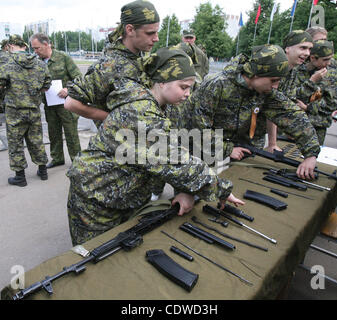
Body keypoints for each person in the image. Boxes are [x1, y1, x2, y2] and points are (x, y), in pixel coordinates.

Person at [66, 48, 244, 245]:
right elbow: (174, 161)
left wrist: (187, 190)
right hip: (96, 196)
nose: (187, 94)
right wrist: (220, 188)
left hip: (125, 193)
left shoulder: (165, 106)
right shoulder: (141, 112)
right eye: (183, 87)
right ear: (161, 81)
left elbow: (178, 149)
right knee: (94, 257)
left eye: (190, 88)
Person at [182, 44, 320, 180]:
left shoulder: (265, 93)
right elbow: (198, 127)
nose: (275, 86)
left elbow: (293, 116)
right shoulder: (217, 85)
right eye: (273, 80)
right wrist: (228, 149)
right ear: (255, 74)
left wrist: (311, 154)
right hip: (196, 149)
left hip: (227, 149)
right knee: (192, 190)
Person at [64, 0, 160, 127]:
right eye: (150, 33)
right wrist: (115, 120)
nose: (156, 38)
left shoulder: (140, 56)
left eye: (156, 32)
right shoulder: (109, 66)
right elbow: (71, 103)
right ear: (130, 30)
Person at [0, 35, 51, 186]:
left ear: (10, 46)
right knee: (36, 140)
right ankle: (43, 171)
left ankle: (20, 177)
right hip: (33, 109)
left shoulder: (7, 62)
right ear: (24, 46)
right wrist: (32, 95)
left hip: (14, 110)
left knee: (15, 143)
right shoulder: (39, 63)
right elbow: (47, 84)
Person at [30, 33, 82, 168]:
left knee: (71, 134)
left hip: (66, 104)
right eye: (33, 48)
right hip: (49, 104)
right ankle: (57, 158)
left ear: (47, 44)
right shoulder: (36, 62)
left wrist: (67, 89)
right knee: (53, 133)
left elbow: (78, 78)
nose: (35, 51)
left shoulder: (63, 57)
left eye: (37, 48)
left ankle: (77, 161)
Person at [266, 30, 314, 152]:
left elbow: (285, 106)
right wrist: (272, 143)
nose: (307, 53)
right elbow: (273, 106)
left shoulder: (292, 71)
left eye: (309, 49)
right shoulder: (275, 68)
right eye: (303, 48)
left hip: (256, 130)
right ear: (287, 48)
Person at [295, 40, 337, 144]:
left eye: (330, 59)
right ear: (313, 58)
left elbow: (331, 103)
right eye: (325, 60)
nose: (328, 63)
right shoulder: (298, 70)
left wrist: (307, 107)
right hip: (294, 123)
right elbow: (292, 96)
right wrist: (311, 82)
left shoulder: (332, 73)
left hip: (317, 125)